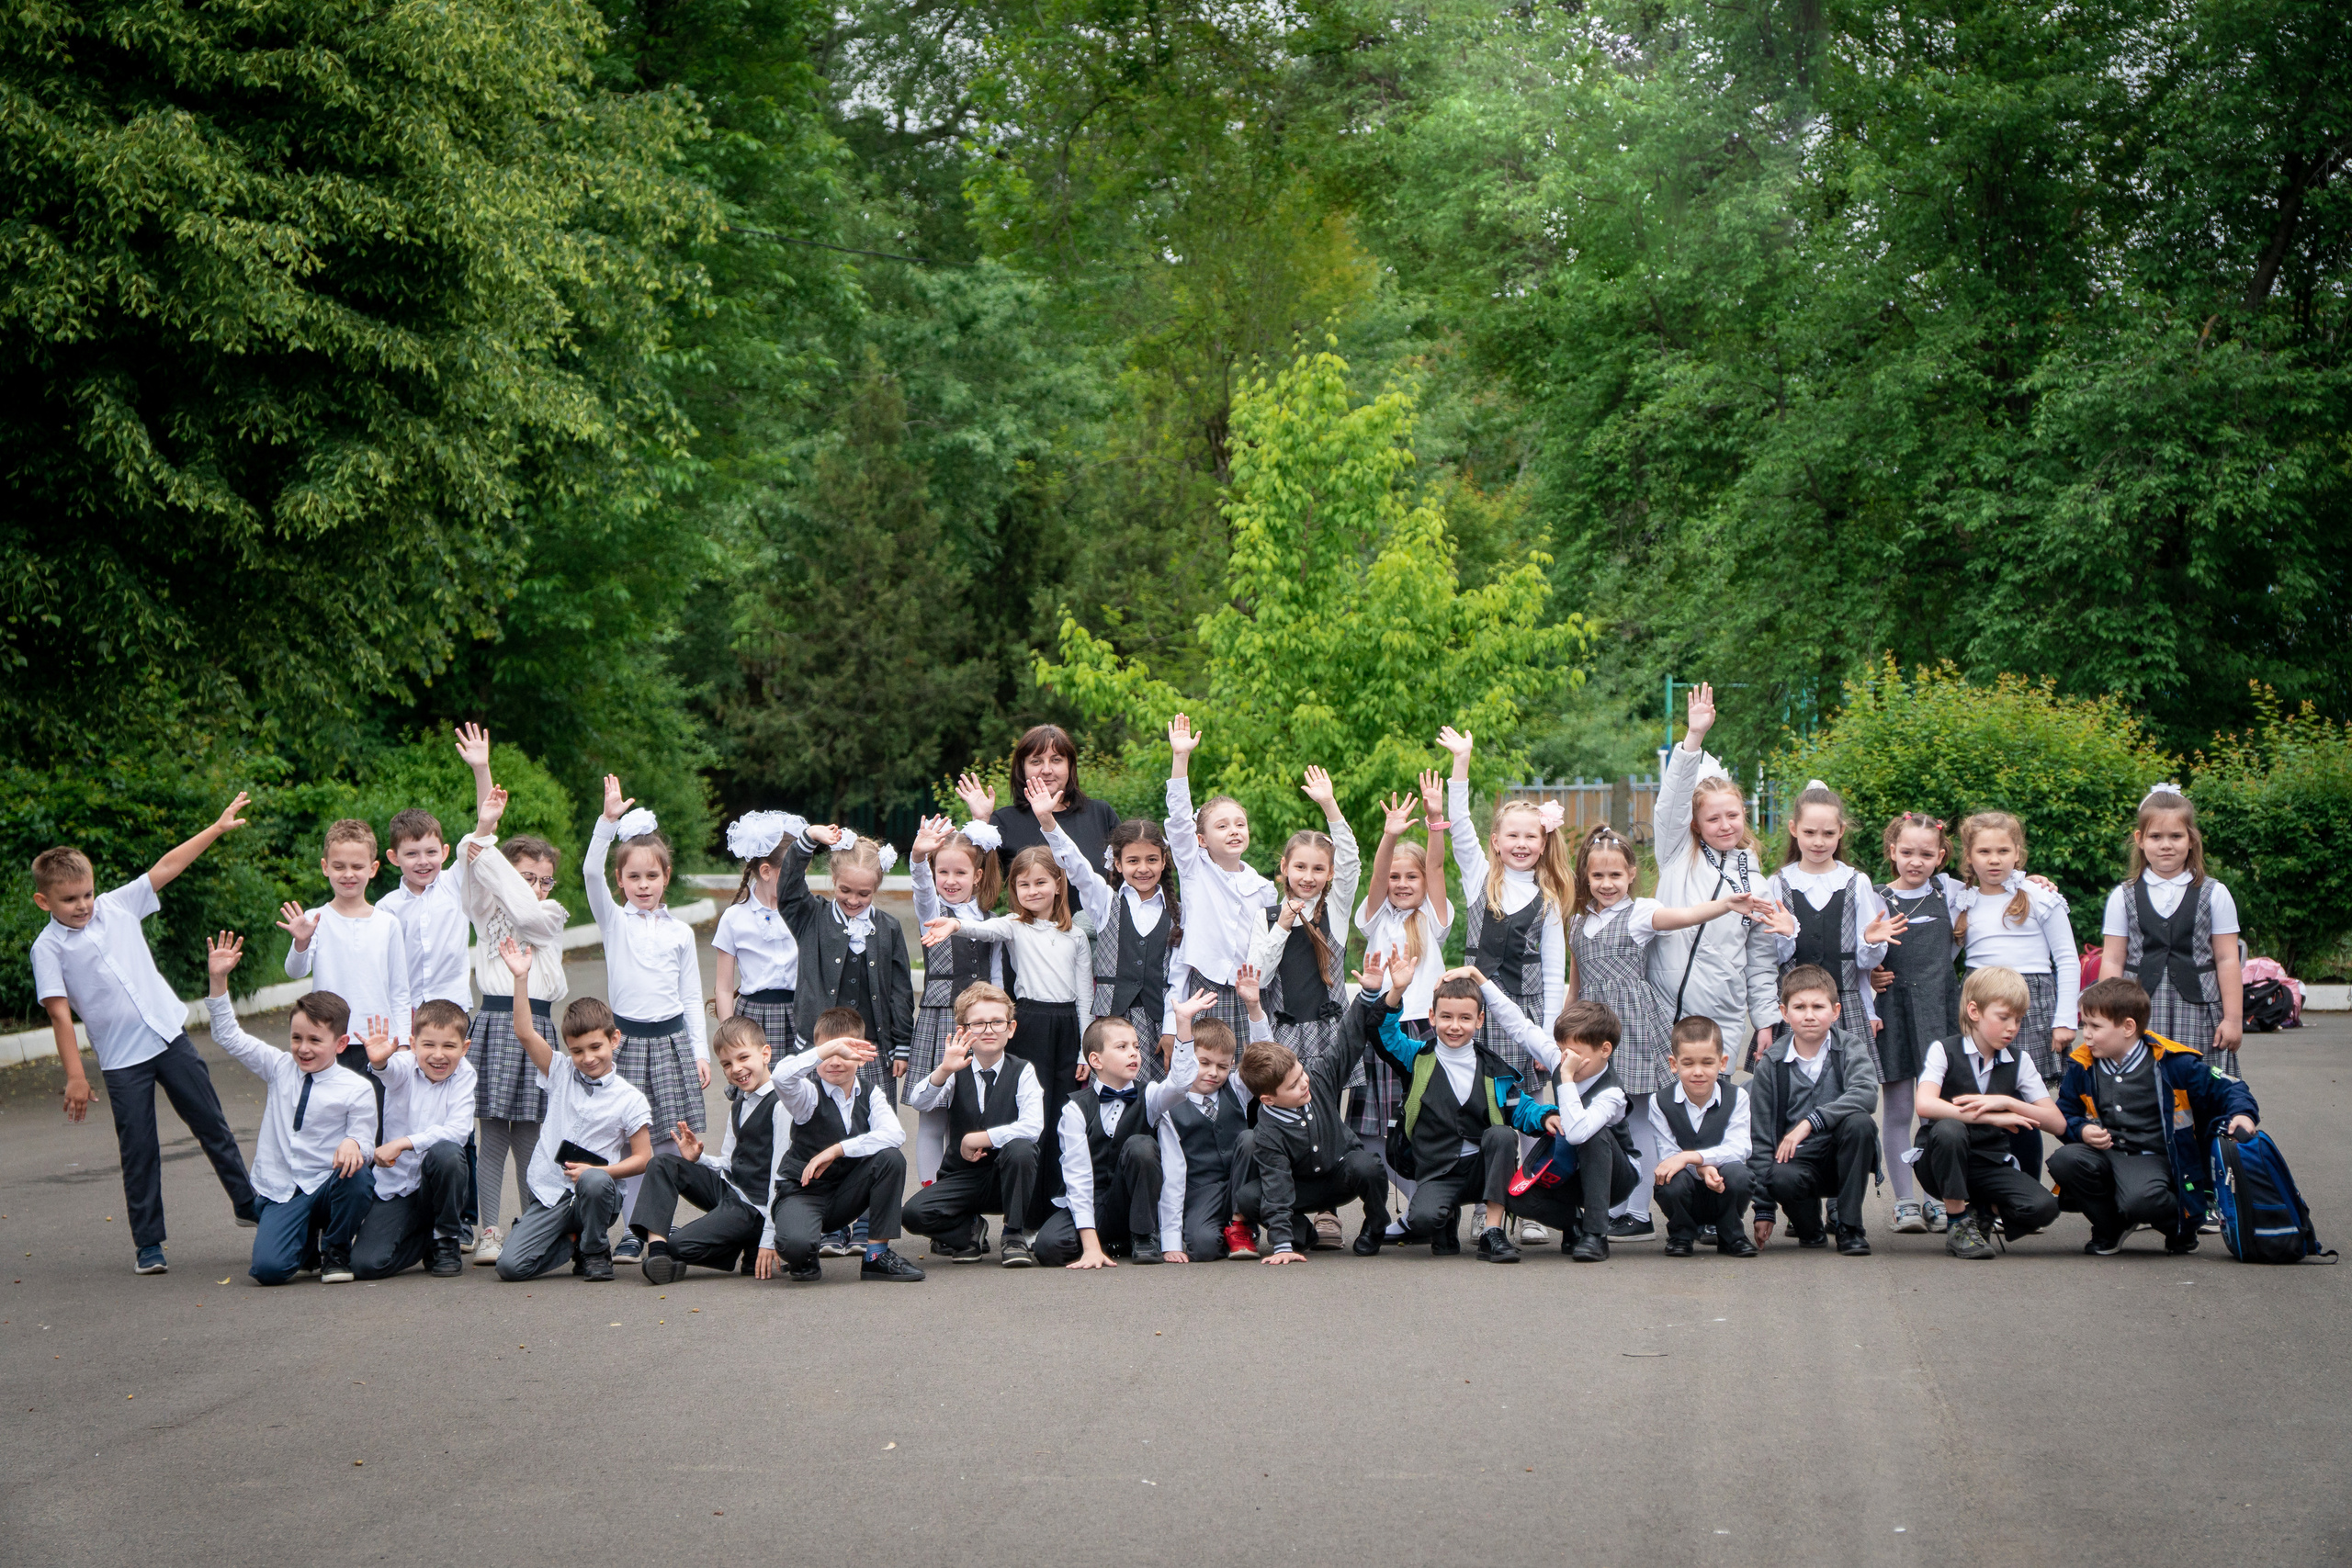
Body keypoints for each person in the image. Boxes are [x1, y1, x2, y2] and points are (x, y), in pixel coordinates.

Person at [28, 795, 258, 1275]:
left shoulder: (116, 906)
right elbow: (60, 1016)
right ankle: (149, 1244)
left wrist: (216, 828)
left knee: (212, 1124)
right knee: (139, 1151)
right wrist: (75, 1076)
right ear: (43, 901)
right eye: (69, 900)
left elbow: (167, 865)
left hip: (171, 1038)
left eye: (87, 894)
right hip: (121, 1061)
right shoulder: (47, 948)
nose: (83, 905)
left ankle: (246, 1202)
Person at [1565, 823, 1773, 1243]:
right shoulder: (1576, 919)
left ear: (1630, 876)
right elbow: (1576, 981)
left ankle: (1638, 1213)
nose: (1607, 884)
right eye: (1599, 876)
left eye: (1616, 875)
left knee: (1636, 1116)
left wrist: (1724, 905)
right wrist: (1562, 1032)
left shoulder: (1640, 912)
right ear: (1586, 877)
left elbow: (1684, 916)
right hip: (1589, 1029)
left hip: (1632, 1024)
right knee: (1600, 1119)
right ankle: (1611, 1207)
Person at [923, 817, 1094, 1231]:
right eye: (1023, 885)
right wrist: (954, 923)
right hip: (1030, 1021)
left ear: (1058, 884)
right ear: (1014, 890)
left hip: (1067, 1027)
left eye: (1040, 883)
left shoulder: (1076, 937)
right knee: (1028, 1116)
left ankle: (1061, 1205)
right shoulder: (1014, 928)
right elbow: (982, 927)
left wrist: (1082, 1047)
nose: (1032, 891)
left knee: (1061, 1115)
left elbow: (1085, 996)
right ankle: (1026, 1213)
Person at [202, 934, 376, 1286]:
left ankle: (336, 1250)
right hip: (285, 1189)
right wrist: (218, 979)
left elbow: (366, 1141)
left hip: (328, 1185)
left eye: (315, 1040)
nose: (303, 1048)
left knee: (357, 1176)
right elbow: (229, 1036)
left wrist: (354, 1144)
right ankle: (304, 1244)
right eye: (297, 1038)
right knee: (269, 1271)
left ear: (341, 1044)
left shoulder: (357, 1088)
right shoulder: (279, 1067)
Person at [583, 776, 707, 1261]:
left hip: (673, 1042)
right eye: (633, 878)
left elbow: (691, 997)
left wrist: (699, 1050)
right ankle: (633, 1230)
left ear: (666, 876)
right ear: (621, 881)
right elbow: (590, 873)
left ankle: (659, 1225)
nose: (642, 886)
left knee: (671, 1141)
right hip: (628, 1044)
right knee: (633, 1139)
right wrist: (606, 823)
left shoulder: (678, 933)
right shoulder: (613, 922)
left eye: (651, 877)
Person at [2050, 976, 2257, 1255]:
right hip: (2108, 1154)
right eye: (2084, 1024)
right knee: (2064, 1161)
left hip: (2157, 1158)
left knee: (2139, 1200)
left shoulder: (2174, 1063)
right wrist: (2080, 1130)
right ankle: (2110, 1226)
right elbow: (2065, 1113)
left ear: (2128, 1027)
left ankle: (2182, 1224)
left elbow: (2229, 1087)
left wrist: (2242, 1115)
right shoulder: (2083, 1065)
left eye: (2095, 1026)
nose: (2085, 1034)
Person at [455, 763, 569, 1270]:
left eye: (545, 879)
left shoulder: (552, 912)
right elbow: (469, 861)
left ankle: (532, 1225)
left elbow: (525, 914)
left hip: (538, 1026)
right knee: (492, 1133)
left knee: (532, 1133)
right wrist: (484, 827)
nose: (538, 887)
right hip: (496, 1022)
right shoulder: (485, 909)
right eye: (529, 877)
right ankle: (489, 1230)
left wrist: (499, 864)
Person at [1242, 766, 1358, 1247]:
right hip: (1285, 1035)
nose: (1308, 877)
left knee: (1328, 1116)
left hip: (1330, 1032)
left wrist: (1330, 806)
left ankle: (1328, 1210)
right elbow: (1259, 975)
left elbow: (1351, 858)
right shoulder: (1266, 915)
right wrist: (1283, 926)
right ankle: (1283, 1210)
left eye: (1318, 869)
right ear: (1283, 870)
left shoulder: (1338, 909)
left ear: (1329, 875)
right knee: (1279, 1119)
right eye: (1299, 868)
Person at [1367, 969, 1555, 1262]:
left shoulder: (1493, 1068)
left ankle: (1492, 1232)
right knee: (1423, 1222)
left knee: (1502, 1135)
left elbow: (1521, 1108)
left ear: (1479, 1020)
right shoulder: (1415, 1057)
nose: (1455, 1026)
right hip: (1438, 1169)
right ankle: (1445, 1217)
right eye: (1446, 1017)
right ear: (1432, 1017)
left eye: (1465, 1018)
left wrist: (1546, 1118)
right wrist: (1397, 990)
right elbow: (1382, 1033)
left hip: (1483, 1169)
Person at [495, 949, 653, 1282]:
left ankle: (595, 1250)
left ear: (614, 1040)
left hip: (596, 1198)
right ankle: (572, 1242)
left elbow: (643, 1158)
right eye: (577, 1050)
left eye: (596, 1047)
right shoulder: (560, 1072)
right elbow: (525, 1033)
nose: (587, 1058)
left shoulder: (629, 1098)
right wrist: (520, 978)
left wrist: (601, 1170)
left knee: (595, 1181)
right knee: (510, 1267)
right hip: (551, 1193)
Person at [1646, 682, 1784, 1063]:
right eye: (1713, 818)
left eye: (1733, 816)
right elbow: (1671, 803)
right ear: (1695, 823)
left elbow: (1760, 958)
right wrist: (1694, 737)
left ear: (1745, 816)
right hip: (1662, 1009)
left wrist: (1765, 1020)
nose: (1725, 825)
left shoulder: (1758, 882)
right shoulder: (1676, 853)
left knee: (1715, 1111)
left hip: (1721, 1014)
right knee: (1664, 1111)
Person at [1234, 957, 1394, 1260]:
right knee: (1249, 1197)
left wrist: (1369, 995)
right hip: (1298, 1189)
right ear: (1268, 1099)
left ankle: (1375, 1226)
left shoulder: (1316, 1076)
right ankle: (1299, 1234)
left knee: (1369, 1165)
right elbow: (1277, 1187)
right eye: (1293, 1086)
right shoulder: (1268, 1129)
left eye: (1300, 1074)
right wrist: (1280, 1245)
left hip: (1340, 1175)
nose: (1304, 1084)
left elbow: (1347, 1040)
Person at [1951, 810, 2078, 1179]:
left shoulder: (2039, 895)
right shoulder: (1963, 902)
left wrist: (2065, 1020)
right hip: (1979, 1005)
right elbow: (1943, 961)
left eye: (2003, 851)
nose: (1994, 860)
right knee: (1985, 1100)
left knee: (2022, 1101)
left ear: (2018, 853)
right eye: (1984, 851)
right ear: (1969, 857)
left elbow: (2068, 960)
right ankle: (1993, 1189)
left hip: (2031, 1003)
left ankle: (2027, 1191)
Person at [1912, 966, 2066, 1260]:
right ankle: (1958, 1223)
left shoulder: (2020, 1061)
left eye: (2019, 1020)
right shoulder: (1943, 1051)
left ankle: (1981, 1213)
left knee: (2044, 1206)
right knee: (1948, 1129)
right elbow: (1926, 1104)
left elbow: (2057, 1123)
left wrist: (2008, 1103)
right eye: (2004, 1017)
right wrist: (1989, 1117)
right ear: (1974, 1011)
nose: (2013, 1028)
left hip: (1989, 1163)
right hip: (1939, 1162)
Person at [1475, 991, 1635, 1261]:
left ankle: (1596, 1236)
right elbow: (1521, 1028)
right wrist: (1482, 981)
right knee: (1516, 1197)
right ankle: (1573, 1224)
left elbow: (1577, 1133)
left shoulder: (1612, 1093)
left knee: (1593, 1135)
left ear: (1604, 1050)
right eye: (1561, 1051)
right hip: (1569, 1172)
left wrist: (1568, 1079)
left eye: (1573, 1053)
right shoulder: (1564, 1062)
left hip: (1613, 1178)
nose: (1564, 1058)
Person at [766, 1009, 923, 1283]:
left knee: (890, 1158)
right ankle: (805, 1251)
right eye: (828, 1054)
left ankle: (876, 1256)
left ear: (860, 1057)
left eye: (843, 1052)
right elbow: (780, 1077)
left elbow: (895, 1134)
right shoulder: (806, 1094)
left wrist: (838, 1149)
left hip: (846, 1195)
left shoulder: (871, 1093)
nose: (834, 1061)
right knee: (797, 1248)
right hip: (804, 1193)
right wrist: (824, 1049)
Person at [2101, 784, 2244, 1079]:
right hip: (2136, 1011)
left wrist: (2233, 1019)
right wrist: (2108, 1016)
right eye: (2156, 836)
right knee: (2139, 1087)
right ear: (2140, 840)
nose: (2166, 844)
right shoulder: (2123, 895)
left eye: (2176, 836)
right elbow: (2113, 959)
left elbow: (2228, 959)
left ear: (2191, 840)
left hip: (2200, 1012)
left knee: (2199, 1088)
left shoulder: (2215, 893)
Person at [279, 817, 411, 1132]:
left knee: (374, 1125)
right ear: (325, 867)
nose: (348, 874)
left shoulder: (387, 923)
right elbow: (295, 971)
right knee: (329, 1125)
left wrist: (404, 1042)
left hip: (377, 1043)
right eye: (339, 866)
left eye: (357, 866)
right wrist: (301, 941)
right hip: (328, 1040)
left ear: (373, 869)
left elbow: (399, 989)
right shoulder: (315, 918)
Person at [629, 1018, 783, 1285]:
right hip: (731, 1190)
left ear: (765, 1054)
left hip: (755, 1207)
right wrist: (699, 1159)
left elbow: (781, 1177)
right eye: (726, 1064)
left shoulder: (782, 1103)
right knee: (664, 1163)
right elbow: (729, 1161)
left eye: (743, 1057)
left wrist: (770, 1235)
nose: (737, 1069)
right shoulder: (739, 1103)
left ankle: (748, 1241)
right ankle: (657, 1253)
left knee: (680, 1245)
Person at [901, 985, 1045, 1267]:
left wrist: (979, 1138)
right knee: (912, 1214)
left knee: (1021, 1149)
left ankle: (1014, 1234)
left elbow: (1032, 1127)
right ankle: (968, 1231)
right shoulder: (956, 1070)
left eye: (997, 1022)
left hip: (1007, 1177)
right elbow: (920, 1101)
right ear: (963, 1030)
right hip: (963, 1177)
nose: (989, 1030)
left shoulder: (1023, 1071)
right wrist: (943, 1070)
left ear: (1011, 1028)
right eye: (978, 1023)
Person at [1744, 966, 1880, 1257]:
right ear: (1784, 1012)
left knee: (1860, 1123)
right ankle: (1810, 1228)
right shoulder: (1771, 1064)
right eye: (1799, 1007)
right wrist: (1764, 1209)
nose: (1809, 1014)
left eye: (1818, 1006)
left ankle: (1850, 1228)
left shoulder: (1850, 1048)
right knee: (1779, 1176)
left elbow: (1867, 1094)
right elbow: (1762, 1139)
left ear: (1835, 1010)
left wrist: (1811, 1121)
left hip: (1841, 1158)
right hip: (1796, 1162)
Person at [1871, 813, 1962, 1234]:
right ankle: (1905, 1201)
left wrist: (2036, 881)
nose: (1916, 861)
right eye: (1907, 852)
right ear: (1893, 852)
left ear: (1941, 856)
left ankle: (1935, 1198)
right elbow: (1858, 949)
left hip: (1940, 1013)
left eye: (1926, 854)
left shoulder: (1954, 893)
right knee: (1899, 1110)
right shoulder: (1874, 898)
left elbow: (2005, 885)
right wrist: (1869, 973)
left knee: (1936, 1113)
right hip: (1894, 1011)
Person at [1163, 712, 1279, 1035]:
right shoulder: (1194, 868)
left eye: (1240, 824)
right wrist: (1180, 757)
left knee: (1250, 1074)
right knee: (1203, 1076)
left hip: (1250, 991)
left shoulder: (1264, 889)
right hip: (1205, 986)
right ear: (1201, 839)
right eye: (1222, 825)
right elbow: (1178, 819)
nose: (1234, 831)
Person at [907, 813, 1009, 1179]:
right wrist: (918, 858)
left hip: (979, 1027)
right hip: (940, 1021)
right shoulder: (932, 910)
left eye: (960, 873)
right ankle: (933, 1201)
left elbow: (997, 980)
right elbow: (920, 887)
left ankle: (961, 1203)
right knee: (933, 1119)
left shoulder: (990, 919)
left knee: (967, 1119)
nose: (950, 881)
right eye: (943, 873)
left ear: (977, 876)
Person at [1035, 1016, 1183, 1268]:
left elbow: (1180, 1086)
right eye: (1122, 1047)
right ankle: (1108, 1243)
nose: (1133, 1054)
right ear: (1096, 1060)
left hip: (1132, 1201)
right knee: (1049, 1247)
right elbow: (1078, 1175)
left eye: (1136, 1047)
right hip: (1091, 1199)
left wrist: (1185, 1023)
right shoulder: (1075, 1109)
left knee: (1141, 1146)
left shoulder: (1150, 1096)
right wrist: (1089, 1244)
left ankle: (1143, 1234)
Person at [1762, 782, 1901, 1047]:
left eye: (1828, 833)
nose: (1818, 841)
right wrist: (1788, 935)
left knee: (1845, 1082)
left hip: (1844, 1007)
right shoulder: (1778, 883)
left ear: (1841, 832)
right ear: (1794, 829)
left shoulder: (1855, 882)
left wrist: (1871, 942)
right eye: (1809, 832)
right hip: (1794, 1007)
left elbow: (1862, 963)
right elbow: (1770, 959)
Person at [1050, 811, 1184, 1085]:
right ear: (1118, 864)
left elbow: (1178, 978)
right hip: (1112, 1023)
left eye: (1151, 860)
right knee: (1114, 1093)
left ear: (1163, 862)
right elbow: (1077, 867)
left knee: (1157, 1099)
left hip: (1159, 1024)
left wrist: (1172, 1030)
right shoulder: (1105, 903)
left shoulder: (1180, 913)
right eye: (1133, 860)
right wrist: (1047, 822)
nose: (1143, 868)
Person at [351, 999, 478, 1280]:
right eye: (429, 1045)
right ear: (413, 1043)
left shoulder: (465, 1075)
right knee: (366, 1265)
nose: (438, 1055)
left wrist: (403, 1142)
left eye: (449, 1046)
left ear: (464, 1047)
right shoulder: (404, 1066)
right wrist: (380, 1060)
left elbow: (458, 1132)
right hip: (395, 1186)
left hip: (438, 1185)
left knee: (447, 1153)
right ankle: (425, 1241)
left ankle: (445, 1239)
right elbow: (388, 1071)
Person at [1156, 992, 1261, 1262]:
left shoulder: (1235, 1089)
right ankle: (1227, 1230)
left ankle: (1243, 1224)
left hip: (1242, 1186)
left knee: (1250, 1138)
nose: (1213, 1073)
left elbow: (1265, 1062)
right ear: (1188, 1058)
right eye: (1204, 1063)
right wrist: (1172, 1237)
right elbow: (1173, 1174)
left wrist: (1254, 1007)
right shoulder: (1168, 1103)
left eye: (1223, 1066)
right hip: (1200, 1191)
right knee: (1204, 1248)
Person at [1647, 1017, 1758, 1258]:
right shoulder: (1660, 1102)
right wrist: (1700, 1168)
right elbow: (1668, 1156)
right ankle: (1681, 1235)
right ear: (1674, 1064)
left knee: (1740, 1174)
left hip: (1723, 1185)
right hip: (1686, 1189)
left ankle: (1731, 1234)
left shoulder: (1737, 1097)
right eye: (1688, 1063)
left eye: (1708, 1062)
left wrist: (1694, 1157)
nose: (1698, 1072)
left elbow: (1740, 1147)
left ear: (1722, 1063)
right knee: (1667, 1178)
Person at [956, 725, 1124, 874]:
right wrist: (981, 822)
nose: (1047, 769)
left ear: (1070, 766)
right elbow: (972, 876)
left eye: (1056, 760)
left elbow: (1129, 871)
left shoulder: (1100, 814)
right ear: (1022, 769)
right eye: (1036, 761)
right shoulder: (1005, 821)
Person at [713, 810, 808, 1071]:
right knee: (756, 1091)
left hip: (798, 1015)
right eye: (793, 874)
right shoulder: (734, 918)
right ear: (766, 871)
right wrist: (728, 1035)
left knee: (800, 1094)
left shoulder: (804, 912)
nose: (799, 882)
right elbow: (723, 987)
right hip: (753, 1019)